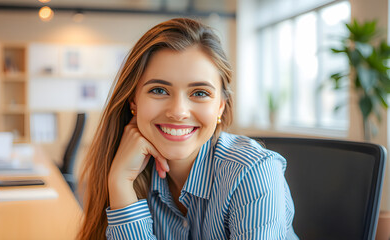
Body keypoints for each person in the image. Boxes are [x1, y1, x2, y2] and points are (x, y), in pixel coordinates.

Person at [78, 18, 298, 239]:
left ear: (220, 106)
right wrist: (120, 183)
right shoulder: (126, 167)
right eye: (159, 90)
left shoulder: (253, 172)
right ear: (133, 101)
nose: (179, 111)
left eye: (200, 93)